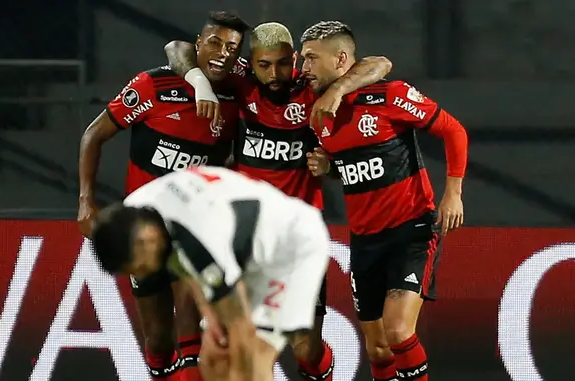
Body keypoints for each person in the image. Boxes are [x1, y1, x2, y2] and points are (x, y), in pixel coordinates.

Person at [163, 21, 392, 380]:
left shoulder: (311, 87)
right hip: (247, 230)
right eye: (265, 65)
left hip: (299, 235)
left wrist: (337, 92)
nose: (275, 73)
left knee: (306, 350)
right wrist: (200, 84)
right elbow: (177, 48)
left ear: (295, 59)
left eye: (283, 63)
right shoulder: (241, 84)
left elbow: (380, 64)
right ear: (250, 63)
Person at [77, 11, 251, 381]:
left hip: (192, 225)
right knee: (158, 339)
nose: (222, 53)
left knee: (190, 316)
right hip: (144, 227)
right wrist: (85, 200)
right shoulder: (153, 87)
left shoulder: (238, 89)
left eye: (232, 48)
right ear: (199, 44)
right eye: (215, 43)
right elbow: (93, 135)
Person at [301, 21, 468, 381]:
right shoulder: (317, 112)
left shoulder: (388, 96)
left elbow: (453, 130)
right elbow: (355, 166)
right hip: (364, 240)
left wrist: (453, 192)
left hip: (411, 229)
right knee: (377, 347)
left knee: (397, 332)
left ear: (341, 59)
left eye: (312, 59)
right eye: (302, 59)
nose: (304, 68)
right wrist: (330, 166)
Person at [90, 166, 331, 381]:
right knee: (214, 360)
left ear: (147, 240)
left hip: (291, 247)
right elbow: (184, 264)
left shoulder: (197, 237)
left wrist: (227, 329)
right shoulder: (138, 210)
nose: (143, 275)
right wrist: (211, 318)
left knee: (252, 358)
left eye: (140, 268)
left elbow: (240, 324)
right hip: (243, 246)